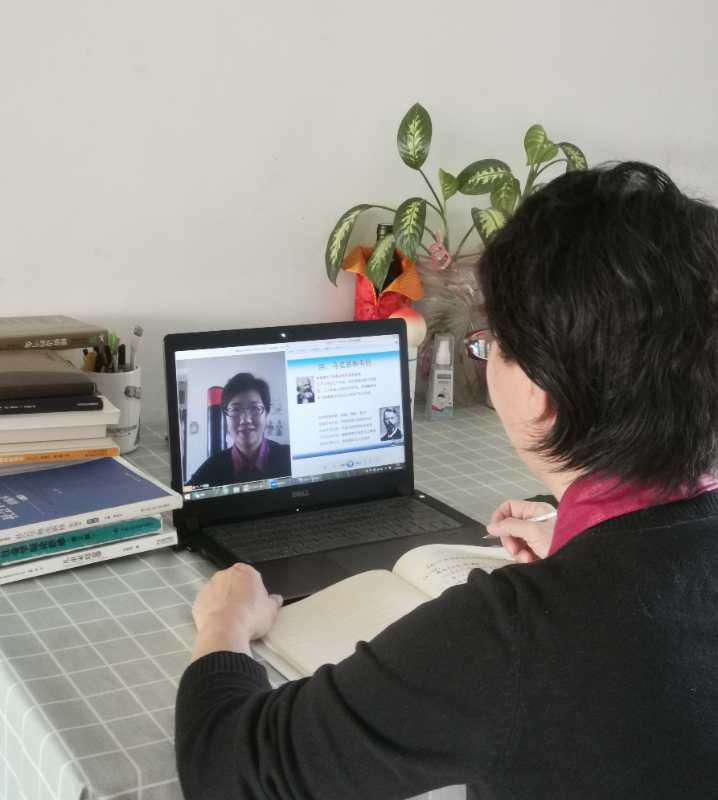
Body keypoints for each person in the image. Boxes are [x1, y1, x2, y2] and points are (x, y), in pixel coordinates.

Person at [175, 163, 718, 799]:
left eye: (490, 345)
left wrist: (224, 624)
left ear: (541, 393)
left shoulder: (513, 637)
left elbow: (230, 771)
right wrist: (589, 543)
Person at [189, 372, 291, 486]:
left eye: (254, 408)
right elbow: (187, 492)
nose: (245, 419)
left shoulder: (288, 457)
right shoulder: (211, 467)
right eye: (235, 410)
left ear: (266, 413)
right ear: (226, 417)